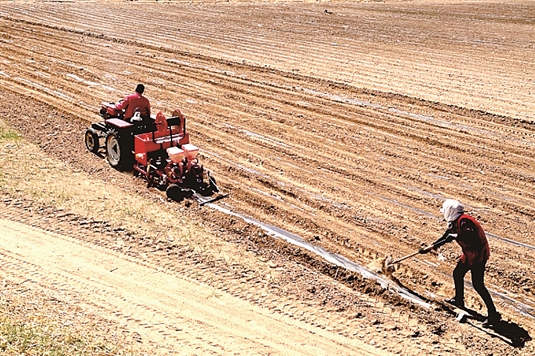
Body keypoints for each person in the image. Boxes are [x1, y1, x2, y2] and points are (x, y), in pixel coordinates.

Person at [420, 199, 501, 327]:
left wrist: (456, 237)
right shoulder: (454, 223)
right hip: (469, 254)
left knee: (478, 284)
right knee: (458, 273)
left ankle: (493, 315)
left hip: (478, 254)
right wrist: (431, 247)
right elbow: (446, 237)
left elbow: (470, 235)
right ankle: (459, 300)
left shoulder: (464, 221)